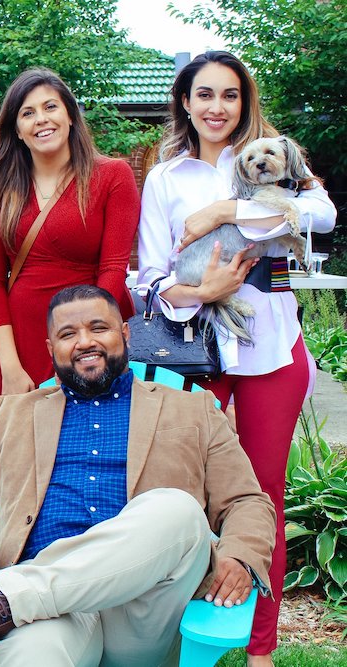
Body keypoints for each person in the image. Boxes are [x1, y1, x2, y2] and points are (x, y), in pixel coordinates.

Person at [0, 285, 275, 667]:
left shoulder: (193, 410)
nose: (84, 342)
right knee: (31, 658)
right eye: (68, 334)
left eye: (99, 328)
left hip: (144, 611)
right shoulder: (11, 415)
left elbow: (247, 500)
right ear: (50, 349)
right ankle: (14, 602)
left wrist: (240, 555)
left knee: (177, 509)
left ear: (124, 334)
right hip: (50, 618)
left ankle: (3, 602)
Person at [137, 51, 336, 665]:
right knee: (177, 493)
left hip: (272, 352)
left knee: (263, 497)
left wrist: (223, 210)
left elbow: (321, 215)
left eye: (229, 95)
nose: (216, 107)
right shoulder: (165, 177)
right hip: (196, 349)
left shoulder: (276, 155)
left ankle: (260, 646)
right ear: (185, 102)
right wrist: (203, 292)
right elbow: (145, 275)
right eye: (204, 94)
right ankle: (168, 634)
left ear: (244, 101)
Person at [0, 68, 139, 396]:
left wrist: (85, 340)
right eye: (28, 113)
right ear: (17, 131)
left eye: (50, 107)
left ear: (69, 115)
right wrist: (9, 366)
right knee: (24, 442)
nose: (41, 119)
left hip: (90, 338)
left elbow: (113, 268)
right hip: (23, 340)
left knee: (95, 438)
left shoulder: (112, 176)